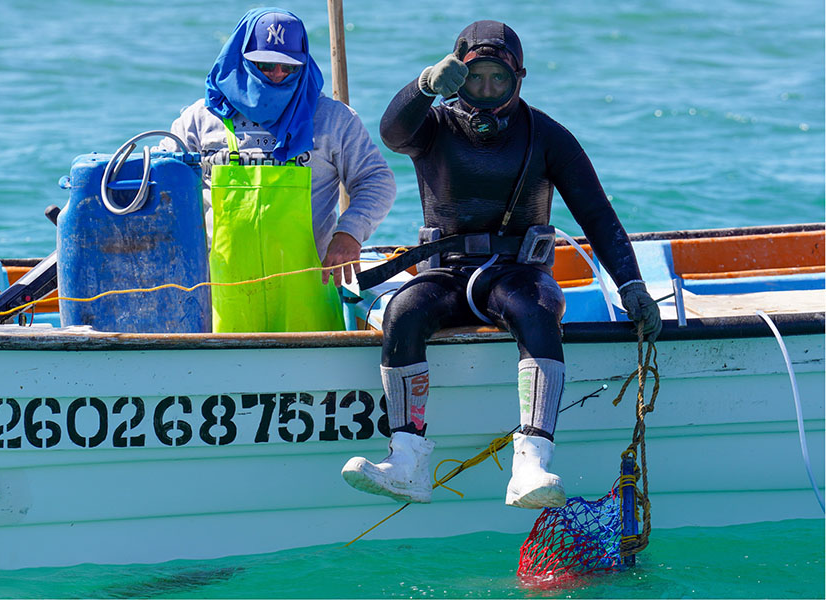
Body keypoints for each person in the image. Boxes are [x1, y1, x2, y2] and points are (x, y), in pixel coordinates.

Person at [341, 20, 661, 508]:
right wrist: (424, 86)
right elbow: (391, 132)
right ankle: (406, 460)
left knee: (537, 312)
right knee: (403, 311)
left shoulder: (546, 136)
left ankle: (531, 462)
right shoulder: (433, 128)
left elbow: (597, 214)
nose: (487, 92)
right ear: (455, 79)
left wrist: (631, 284)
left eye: (499, 80)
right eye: (474, 80)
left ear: (520, 78)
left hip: (518, 276)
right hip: (446, 273)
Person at [160, 8, 395, 332]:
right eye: (266, 65)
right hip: (217, 298)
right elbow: (162, 192)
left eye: (289, 66)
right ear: (240, 57)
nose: (278, 74)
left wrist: (350, 232)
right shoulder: (199, 120)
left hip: (309, 296)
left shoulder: (333, 119)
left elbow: (376, 180)